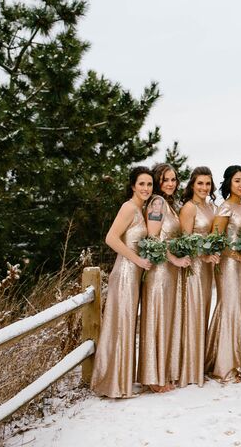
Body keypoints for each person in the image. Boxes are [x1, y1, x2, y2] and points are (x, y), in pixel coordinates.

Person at [91, 166, 153, 398]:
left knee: (125, 324)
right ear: (132, 186)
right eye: (142, 184)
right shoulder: (128, 207)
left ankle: (120, 380)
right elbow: (111, 238)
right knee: (122, 323)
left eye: (149, 184)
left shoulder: (141, 208)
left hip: (135, 272)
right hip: (126, 272)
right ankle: (113, 383)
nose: (146, 188)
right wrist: (137, 259)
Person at [137, 163, 191, 393]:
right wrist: (175, 259)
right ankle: (153, 377)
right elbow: (153, 238)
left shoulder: (169, 205)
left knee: (167, 319)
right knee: (157, 319)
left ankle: (164, 371)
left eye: (174, 179)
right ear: (158, 181)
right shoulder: (157, 203)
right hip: (159, 271)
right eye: (165, 179)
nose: (170, 183)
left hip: (170, 272)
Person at [205, 165, 241, 383]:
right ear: (228, 183)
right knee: (230, 307)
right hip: (228, 265)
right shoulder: (224, 208)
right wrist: (237, 255)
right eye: (237, 180)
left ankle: (235, 358)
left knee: (238, 307)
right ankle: (225, 366)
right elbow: (216, 241)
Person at [174, 166, 218, 387]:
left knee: (202, 313)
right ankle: (189, 369)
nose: (204, 187)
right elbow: (184, 242)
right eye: (200, 183)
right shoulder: (189, 208)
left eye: (208, 183)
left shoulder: (211, 207)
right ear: (192, 185)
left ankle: (198, 364)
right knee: (193, 314)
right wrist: (204, 255)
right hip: (193, 269)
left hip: (207, 270)